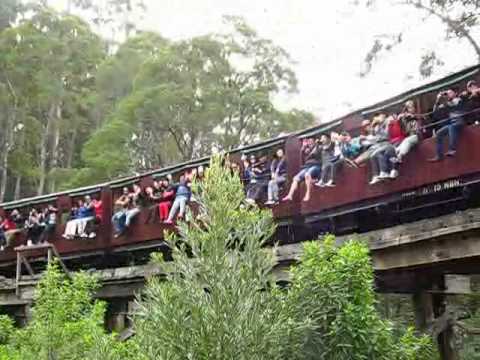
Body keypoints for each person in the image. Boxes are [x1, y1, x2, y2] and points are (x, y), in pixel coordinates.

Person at [428, 88, 468, 161]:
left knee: (451, 127)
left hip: (460, 122)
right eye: (448, 93)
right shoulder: (447, 103)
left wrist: (445, 97)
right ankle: (439, 155)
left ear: (455, 93)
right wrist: (438, 99)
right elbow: (435, 111)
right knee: (439, 133)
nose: (448, 94)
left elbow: (453, 103)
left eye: (450, 93)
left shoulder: (458, 99)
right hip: (452, 124)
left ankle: (452, 149)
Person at [282, 138, 322, 202]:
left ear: (314, 142)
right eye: (309, 142)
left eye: (311, 141)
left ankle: (308, 194)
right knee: (295, 178)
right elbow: (302, 159)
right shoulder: (306, 150)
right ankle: (290, 195)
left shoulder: (318, 147)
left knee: (307, 175)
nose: (310, 143)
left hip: (315, 166)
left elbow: (318, 153)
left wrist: (316, 144)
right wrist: (303, 147)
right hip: (306, 167)